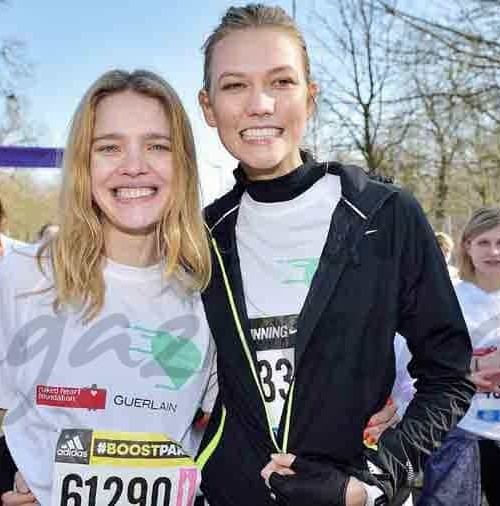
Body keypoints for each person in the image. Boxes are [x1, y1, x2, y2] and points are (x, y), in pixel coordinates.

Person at [195, 4, 474, 506]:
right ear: (208, 107)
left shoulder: (383, 214)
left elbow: (448, 374)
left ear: (311, 96)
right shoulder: (200, 235)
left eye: (281, 82)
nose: (259, 104)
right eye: (234, 85)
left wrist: (373, 481)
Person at [0, 69, 216, 506]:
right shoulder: (24, 275)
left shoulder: (210, 292)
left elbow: (238, 431)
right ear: (84, 163)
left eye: (157, 145)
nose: (133, 166)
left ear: (184, 163)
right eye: (109, 147)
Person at [418, 207, 500, 506]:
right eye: (483, 242)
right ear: (466, 245)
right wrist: (471, 371)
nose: (493, 251)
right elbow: (423, 362)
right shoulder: (448, 298)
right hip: (459, 430)